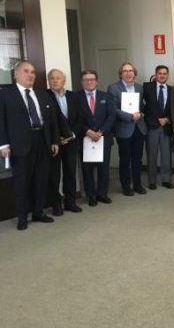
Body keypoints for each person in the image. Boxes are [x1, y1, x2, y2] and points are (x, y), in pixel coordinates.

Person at [0, 61, 59, 230]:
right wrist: (3, 145)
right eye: (26, 71)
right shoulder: (5, 95)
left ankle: (39, 212)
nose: (31, 75)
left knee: (41, 179)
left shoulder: (42, 94)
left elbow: (52, 120)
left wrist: (54, 140)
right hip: (20, 144)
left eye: (33, 72)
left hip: (43, 141)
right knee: (22, 182)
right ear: (16, 74)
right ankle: (22, 217)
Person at [77, 70, 116, 207]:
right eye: (86, 79)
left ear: (97, 81)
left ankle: (102, 193)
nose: (89, 82)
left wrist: (101, 131)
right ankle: (91, 195)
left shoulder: (106, 96)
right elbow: (74, 119)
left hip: (103, 137)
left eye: (92, 79)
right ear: (82, 82)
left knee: (103, 168)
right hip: (85, 138)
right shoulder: (76, 97)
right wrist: (87, 131)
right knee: (87, 169)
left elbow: (112, 116)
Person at [107, 61, 147, 196]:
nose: (128, 73)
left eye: (131, 71)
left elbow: (141, 106)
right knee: (125, 159)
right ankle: (126, 186)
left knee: (138, 159)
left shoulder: (140, 87)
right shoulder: (113, 88)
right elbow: (113, 109)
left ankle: (137, 185)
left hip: (139, 128)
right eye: (125, 71)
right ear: (121, 74)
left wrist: (140, 114)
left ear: (134, 73)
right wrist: (130, 117)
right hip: (124, 129)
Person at [46, 68, 83, 215]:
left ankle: (70, 201)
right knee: (54, 175)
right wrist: (57, 138)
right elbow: (47, 121)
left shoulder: (74, 96)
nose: (55, 81)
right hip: (54, 143)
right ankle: (56, 204)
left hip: (71, 141)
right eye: (52, 78)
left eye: (58, 78)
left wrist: (72, 135)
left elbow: (80, 118)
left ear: (64, 81)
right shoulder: (45, 96)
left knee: (70, 173)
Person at [143, 65, 174, 190]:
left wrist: (167, 119)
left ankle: (166, 179)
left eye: (165, 73)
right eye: (159, 73)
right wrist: (155, 119)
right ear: (155, 75)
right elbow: (142, 105)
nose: (162, 75)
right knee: (152, 154)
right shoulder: (147, 87)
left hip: (166, 126)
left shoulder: (172, 90)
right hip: (152, 126)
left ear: (167, 75)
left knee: (166, 154)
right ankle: (152, 181)